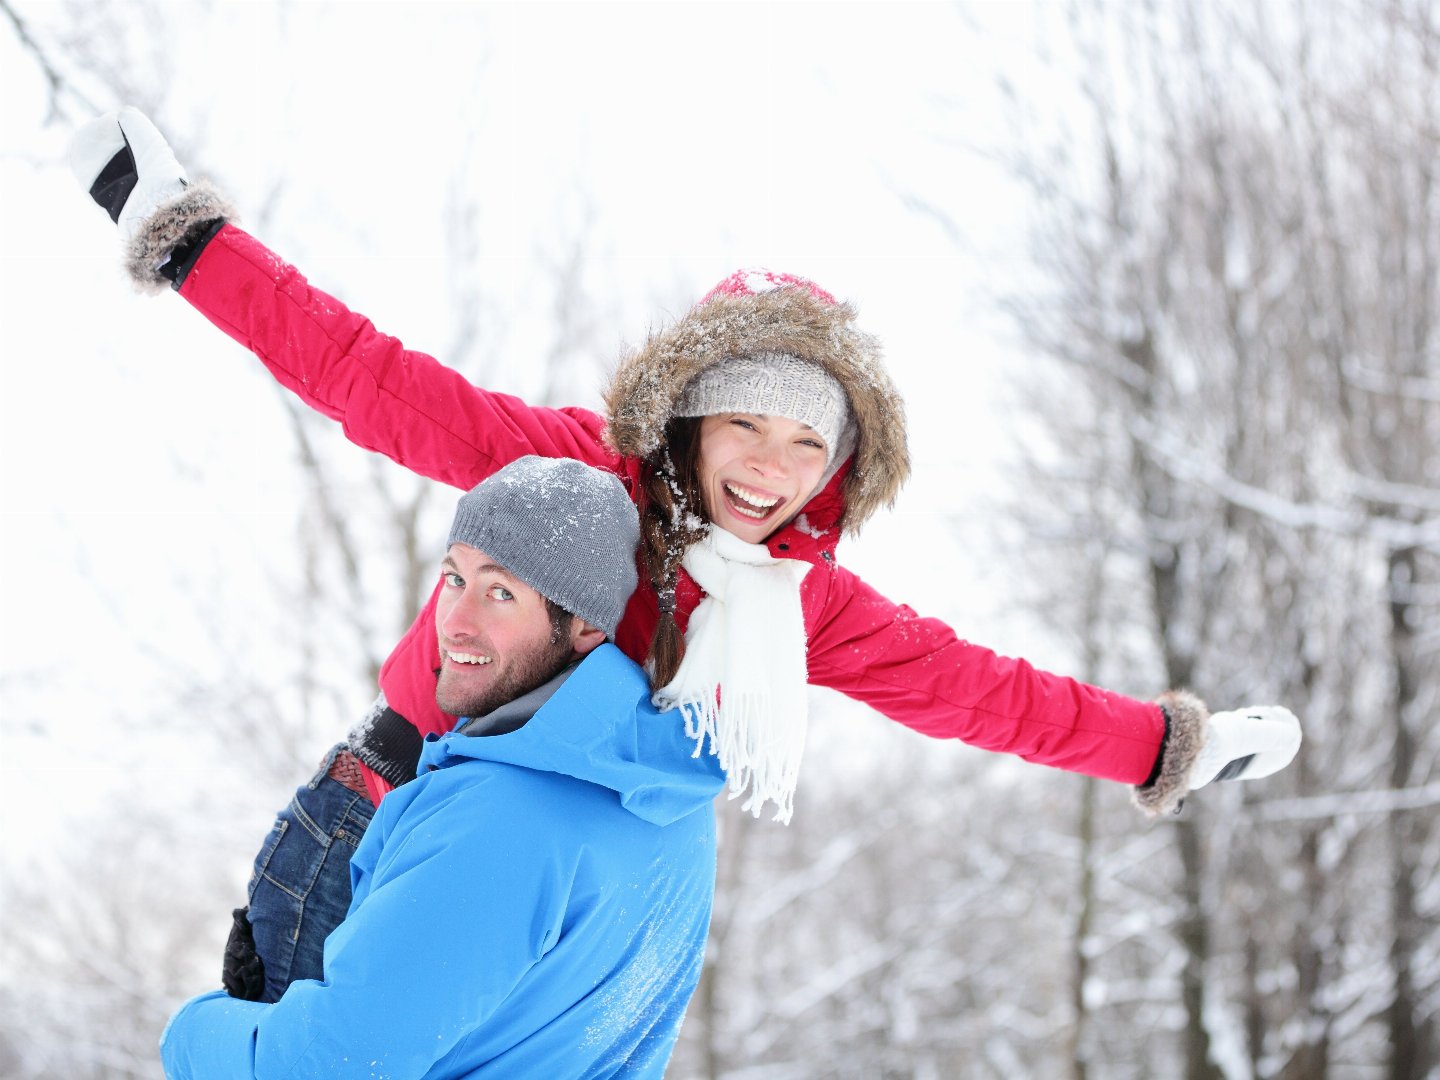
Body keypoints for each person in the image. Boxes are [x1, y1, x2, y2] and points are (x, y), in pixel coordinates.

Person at [71, 109, 1303, 999]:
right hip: (390, 799)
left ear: (839, 467)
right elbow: (374, 382)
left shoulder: (805, 606)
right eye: (746, 425)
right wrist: (190, 246)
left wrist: (1161, 745)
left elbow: (982, 695)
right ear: (690, 416)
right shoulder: (576, 474)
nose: (771, 467)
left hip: (545, 886)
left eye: (806, 443)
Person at [160, 454, 726, 1078]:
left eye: (500, 592)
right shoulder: (672, 799)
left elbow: (325, 1066)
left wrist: (196, 1029)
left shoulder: (500, 819)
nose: (454, 623)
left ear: (586, 625)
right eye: (454, 579)